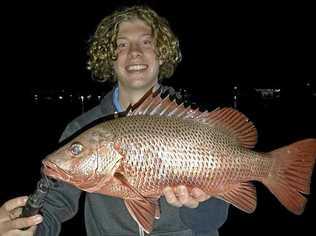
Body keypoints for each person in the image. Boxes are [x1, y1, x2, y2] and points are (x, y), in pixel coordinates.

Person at [1, 5, 229, 236]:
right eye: (121, 44)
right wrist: (26, 228)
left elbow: (211, 223)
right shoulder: (81, 128)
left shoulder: (198, 121)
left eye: (146, 42)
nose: (135, 52)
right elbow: (53, 204)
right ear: (109, 58)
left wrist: (200, 203)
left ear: (162, 52)